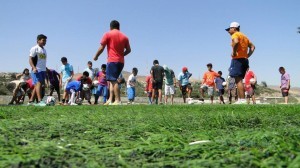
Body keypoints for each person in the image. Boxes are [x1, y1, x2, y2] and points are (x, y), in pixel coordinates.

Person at [93, 20, 131, 105]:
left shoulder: (108, 34)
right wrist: (121, 55)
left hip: (112, 61)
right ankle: (110, 99)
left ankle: (117, 100)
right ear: (119, 27)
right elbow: (129, 50)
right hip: (121, 62)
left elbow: (102, 47)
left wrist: (96, 56)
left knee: (113, 81)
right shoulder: (125, 36)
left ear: (110, 27)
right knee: (110, 80)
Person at [226, 22, 255, 104]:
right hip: (244, 59)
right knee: (239, 80)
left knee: (238, 80)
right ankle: (240, 99)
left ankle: (242, 100)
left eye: (230, 28)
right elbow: (253, 47)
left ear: (234, 28)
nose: (229, 30)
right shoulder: (244, 36)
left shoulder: (235, 35)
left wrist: (234, 52)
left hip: (237, 59)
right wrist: (247, 55)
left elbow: (236, 42)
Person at [28, 34, 48, 106]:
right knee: (38, 84)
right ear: (38, 40)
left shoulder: (44, 50)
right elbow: (30, 59)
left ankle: (30, 101)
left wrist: (45, 69)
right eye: (43, 40)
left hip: (43, 70)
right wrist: (34, 67)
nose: (44, 42)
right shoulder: (34, 48)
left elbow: (42, 61)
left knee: (37, 85)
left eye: (45, 41)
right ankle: (40, 101)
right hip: (36, 70)